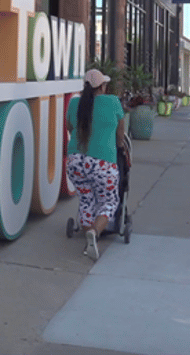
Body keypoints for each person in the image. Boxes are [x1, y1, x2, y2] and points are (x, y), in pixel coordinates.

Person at [65, 69, 126, 261]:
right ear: (102, 86)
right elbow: (120, 132)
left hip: (75, 160)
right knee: (109, 201)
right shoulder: (112, 101)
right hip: (102, 162)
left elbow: (69, 127)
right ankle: (95, 233)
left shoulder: (75, 103)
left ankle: (88, 230)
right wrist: (119, 146)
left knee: (86, 200)